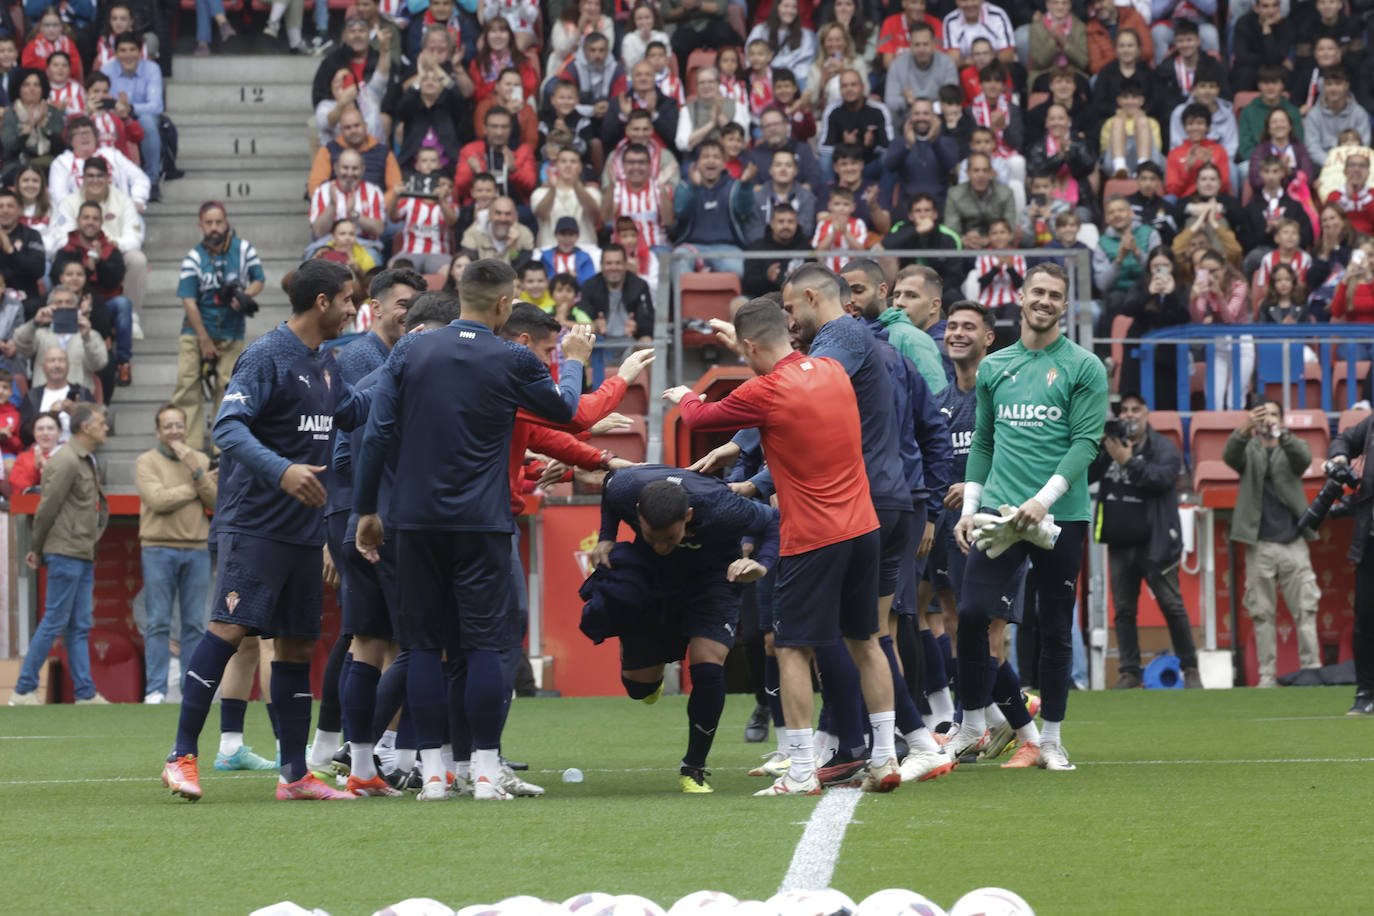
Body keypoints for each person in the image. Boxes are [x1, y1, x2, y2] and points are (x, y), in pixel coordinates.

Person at [352, 260, 593, 801]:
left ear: (459, 295)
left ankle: (434, 776)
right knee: (486, 646)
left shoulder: (411, 350)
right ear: (506, 305)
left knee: (421, 644)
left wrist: (367, 509)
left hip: (413, 521)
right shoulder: (510, 356)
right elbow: (567, 413)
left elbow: (376, 434)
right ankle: (484, 772)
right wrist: (574, 362)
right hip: (482, 523)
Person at [669, 291, 903, 796]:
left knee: (792, 648)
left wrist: (684, 395)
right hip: (864, 529)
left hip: (813, 537)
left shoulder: (766, 391)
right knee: (867, 640)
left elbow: (699, 420)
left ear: (750, 347)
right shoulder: (831, 372)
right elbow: (778, 387)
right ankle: (884, 759)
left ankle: (799, 771)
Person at [160, 259, 367, 802]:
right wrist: (282, 469)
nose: (353, 309)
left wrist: (413, 367)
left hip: (304, 531)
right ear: (322, 302)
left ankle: (294, 775)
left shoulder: (329, 363)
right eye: (347, 299)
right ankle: (181, 756)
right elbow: (227, 427)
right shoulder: (266, 355)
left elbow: (352, 413)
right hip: (254, 525)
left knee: (295, 648)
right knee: (228, 631)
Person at [945, 262, 1109, 771]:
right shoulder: (995, 367)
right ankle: (973, 724)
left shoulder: (1084, 367)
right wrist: (971, 510)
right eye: (1037, 291)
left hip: (1062, 515)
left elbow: (1086, 443)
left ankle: (1052, 740)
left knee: (1056, 627)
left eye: (1054, 295)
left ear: (1064, 305)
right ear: (1021, 297)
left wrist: (1045, 499)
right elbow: (985, 444)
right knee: (971, 614)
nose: (1044, 301)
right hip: (999, 511)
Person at [586, 469, 780, 792]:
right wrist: (607, 534)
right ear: (637, 513)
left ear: (688, 516)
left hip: (713, 579)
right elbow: (608, 484)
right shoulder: (625, 489)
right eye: (652, 538)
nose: (662, 546)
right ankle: (652, 674)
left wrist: (762, 564)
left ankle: (694, 767)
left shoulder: (722, 506)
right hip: (654, 578)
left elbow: (772, 521)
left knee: (708, 666)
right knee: (638, 688)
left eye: (670, 538)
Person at [1089, 393, 1200, 690]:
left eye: (1135, 409)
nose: (1129, 415)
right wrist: (1100, 448)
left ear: (1147, 413)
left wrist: (1128, 460)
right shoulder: (1110, 445)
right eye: (1124, 410)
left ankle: (1190, 668)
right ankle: (1128, 671)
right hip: (1120, 541)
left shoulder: (1163, 447)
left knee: (1172, 606)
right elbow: (1086, 476)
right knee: (1124, 610)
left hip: (1156, 542)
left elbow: (1161, 480)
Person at [7, 403, 109, 706]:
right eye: (101, 423)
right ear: (86, 427)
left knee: (79, 625)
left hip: (79, 550)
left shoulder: (80, 458)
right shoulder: (66, 459)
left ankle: (85, 693)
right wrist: (36, 549)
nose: (106, 427)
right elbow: (46, 507)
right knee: (55, 621)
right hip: (66, 551)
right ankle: (24, 689)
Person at [1224, 400, 1322, 687]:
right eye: (1263, 415)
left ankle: (1312, 670)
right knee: (1261, 613)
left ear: (1283, 419)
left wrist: (1282, 434)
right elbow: (1230, 457)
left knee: (1305, 609)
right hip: (1260, 544)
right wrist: (1244, 429)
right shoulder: (1249, 448)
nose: (1268, 420)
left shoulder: (1291, 444)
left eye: (1274, 415)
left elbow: (1303, 459)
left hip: (1293, 541)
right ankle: (1267, 676)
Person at [136, 404, 216, 705]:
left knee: (195, 623)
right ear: (158, 431)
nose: (174, 431)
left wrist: (196, 470)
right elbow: (158, 500)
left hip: (196, 548)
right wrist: (196, 485)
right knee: (158, 621)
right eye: (168, 426)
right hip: (157, 547)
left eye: (179, 425)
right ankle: (155, 690)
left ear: (186, 428)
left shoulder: (201, 459)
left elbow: (215, 499)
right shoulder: (146, 461)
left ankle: (189, 690)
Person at [174, 202, 265, 452]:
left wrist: (245, 296)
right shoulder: (194, 257)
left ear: (226, 222)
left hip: (231, 330)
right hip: (195, 331)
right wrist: (203, 339)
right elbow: (189, 302)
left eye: (218, 222)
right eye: (209, 223)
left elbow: (259, 278)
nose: (214, 228)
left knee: (228, 389)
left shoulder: (243, 249)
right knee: (187, 386)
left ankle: (221, 449)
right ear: (200, 225)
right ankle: (188, 449)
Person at [49, 156, 146, 332]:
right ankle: (67, 309)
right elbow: (61, 237)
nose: (95, 180)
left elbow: (135, 238)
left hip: (111, 254)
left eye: (100, 176)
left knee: (137, 258)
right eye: (90, 176)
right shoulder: (69, 202)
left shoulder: (123, 201)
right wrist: (86, 250)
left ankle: (132, 316)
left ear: (109, 178)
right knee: (61, 258)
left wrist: (109, 245)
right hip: (77, 255)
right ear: (82, 178)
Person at [55, 198, 133, 385]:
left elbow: (114, 281)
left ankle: (123, 362)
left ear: (101, 223)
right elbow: (55, 278)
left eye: (95, 218)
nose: (90, 222)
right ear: (78, 220)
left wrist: (100, 264)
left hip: (106, 302)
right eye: (86, 218)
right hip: (73, 303)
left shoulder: (110, 250)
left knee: (123, 304)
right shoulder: (67, 249)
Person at [1328, 413, 1374, 714]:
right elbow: (1343, 438)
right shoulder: (1371, 424)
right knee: (1366, 620)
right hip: (1370, 541)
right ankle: (1366, 691)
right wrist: (1341, 456)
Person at [846, 258, 946, 395]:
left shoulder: (914, 339)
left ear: (882, 291)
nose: (899, 302)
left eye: (912, 296)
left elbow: (937, 401)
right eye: (897, 295)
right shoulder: (849, 335)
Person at [670, 140, 755, 282]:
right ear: (697, 163)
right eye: (706, 157)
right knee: (678, 265)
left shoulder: (735, 186)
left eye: (716, 157)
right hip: (691, 246)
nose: (711, 161)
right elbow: (680, 212)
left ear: (723, 163)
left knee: (737, 270)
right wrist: (694, 188)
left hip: (727, 247)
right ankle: (689, 304)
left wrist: (746, 185)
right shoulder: (685, 186)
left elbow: (744, 210)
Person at [99, 33, 161, 191]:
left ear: (140, 52)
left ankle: (152, 178)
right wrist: (119, 109)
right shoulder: (106, 70)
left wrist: (131, 108)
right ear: (116, 53)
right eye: (123, 50)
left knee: (147, 121)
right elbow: (103, 100)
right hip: (115, 114)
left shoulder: (152, 68)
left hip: (142, 115)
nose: (128, 55)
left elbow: (156, 106)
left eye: (132, 50)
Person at [14, 286, 107, 390]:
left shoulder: (91, 335)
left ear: (76, 307)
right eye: (58, 302)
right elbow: (19, 343)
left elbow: (99, 364)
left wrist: (86, 338)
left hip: (79, 399)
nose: (64, 306)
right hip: (44, 398)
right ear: (49, 306)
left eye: (69, 302)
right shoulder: (40, 334)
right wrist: (34, 323)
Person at [307, 105, 404, 199]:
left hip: (376, 211)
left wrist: (376, 204)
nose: (353, 130)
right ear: (341, 131)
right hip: (337, 211)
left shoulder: (385, 153)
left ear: (365, 126)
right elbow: (315, 189)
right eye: (347, 127)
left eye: (357, 126)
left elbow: (395, 189)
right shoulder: (327, 151)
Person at [883, 96, 959, 211]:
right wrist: (907, 146)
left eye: (926, 113)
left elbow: (950, 166)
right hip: (907, 209)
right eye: (916, 113)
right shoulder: (900, 142)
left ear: (935, 117)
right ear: (910, 117)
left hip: (938, 208)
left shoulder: (947, 142)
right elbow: (889, 166)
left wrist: (934, 142)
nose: (921, 118)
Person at [883, 22, 958, 128]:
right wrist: (906, 102)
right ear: (910, 46)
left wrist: (916, 104)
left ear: (933, 45)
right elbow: (890, 101)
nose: (921, 49)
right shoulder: (897, 64)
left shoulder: (947, 63)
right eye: (917, 45)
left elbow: (951, 100)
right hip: (907, 121)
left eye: (925, 44)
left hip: (939, 120)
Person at [17, 346, 95, 443]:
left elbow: (97, 428)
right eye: (52, 361)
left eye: (61, 361)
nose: (57, 365)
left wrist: (76, 413)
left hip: (76, 453)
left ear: (68, 366)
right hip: (41, 453)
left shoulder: (83, 393)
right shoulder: (32, 396)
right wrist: (50, 416)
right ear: (43, 367)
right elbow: (23, 435)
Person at [580, 244, 652, 343]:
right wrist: (595, 326)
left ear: (626, 264)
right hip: (598, 342)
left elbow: (649, 322)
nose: (613, 267)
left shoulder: (639, 286)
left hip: (631, 342)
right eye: (609, 263)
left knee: (646, 342)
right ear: (601, 265)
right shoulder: (590, 286)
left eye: (618, 263)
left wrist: (636, 327)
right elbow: (581, 317)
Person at [943, 152, 1015, 250]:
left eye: (985, 170)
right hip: (965, 248)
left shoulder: (1006, 193)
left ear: (991, 173)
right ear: (967, 173)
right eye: (976, 170)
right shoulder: (954, 194)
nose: (981, 175)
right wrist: (965, 240)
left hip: (997, 246)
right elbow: (951, 232)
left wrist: (989, 240)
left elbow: (1011, 229)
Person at [1, 69, 65, 172]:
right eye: (26, 85)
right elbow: (9, 148)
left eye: (37, 85)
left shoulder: (53, 112)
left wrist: (44, 126)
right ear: (18, 88)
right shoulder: (10, 115)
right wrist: (29, 126)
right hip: (18, 165)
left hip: (51, 164)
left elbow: (60, 146)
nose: (32, 89)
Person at [1304, 67, 1370, 167]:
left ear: (1346, 86)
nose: (1333, 88)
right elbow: (1312, 147)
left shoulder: (1359, 113)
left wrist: (1349, 164)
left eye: (1338, 84)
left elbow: (1364, 144)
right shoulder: (1313, 115)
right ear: (1323, 87)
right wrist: (1333, 162)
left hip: (1355, 165)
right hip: (1324, 165)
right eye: (1329, 84)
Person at [752, 146, 816, 243]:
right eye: (778, 165)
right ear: (770, 170)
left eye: (788, 165)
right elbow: (752, 232)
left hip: (796, 250)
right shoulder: (756, 197)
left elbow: (806, 230)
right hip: (763, 250)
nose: (783, 169)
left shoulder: (807, 197)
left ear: (795, 171)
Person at [1166, 104, 1233, 198]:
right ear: (1184, 128)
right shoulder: (1175, 154)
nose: (1195, 128)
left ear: (1208, 127)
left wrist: (1208, 165)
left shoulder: (1219, 150)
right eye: (1190, 123)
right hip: (1185, 201)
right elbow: (1172, 191)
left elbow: (1225, 187)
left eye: (1200, 123)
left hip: (1214, 198)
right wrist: (1188, 168)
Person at [742, 204, 808, 298]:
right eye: (781, 222)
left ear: (796, 223)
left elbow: (814, 279)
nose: (786, 226)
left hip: (797, 300)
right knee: (737, 302)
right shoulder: (757, 248)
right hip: (762, 300)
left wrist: (799, 279)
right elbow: (747, 284)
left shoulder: (805, 247)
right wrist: (767, 278)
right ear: (772, 224)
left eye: (790, 222)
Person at [0, 186, 48, 307]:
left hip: (25, 300)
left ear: (19, 210)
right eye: (0, 206)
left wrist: (11, 251)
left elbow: (38, 270)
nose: (5, 210)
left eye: (10, 206)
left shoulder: (32, 235)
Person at [1085, 0, 1153, 74]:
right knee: (1095, 80)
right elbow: (1095, 67)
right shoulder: (1092, 27)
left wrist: (1122, 55)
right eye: (1093, 3)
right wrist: (1122, 54)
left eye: (1101, 1)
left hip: (1138, 67)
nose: (1097, 6)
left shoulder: (1132, 16)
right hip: (1110, 74)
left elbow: (1148, 52)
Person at [662, 0, 740, 64]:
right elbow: (665, 15)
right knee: (677, 45)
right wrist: (684, 9)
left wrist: (698, 5)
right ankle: (682, 81)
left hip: (714, 21)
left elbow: (721, 7)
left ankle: (730, 78)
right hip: (688, 26)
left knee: (724, 35)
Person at [10, 409, 62, 491]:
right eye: (40, 429)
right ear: (34, 433)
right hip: (31, 502)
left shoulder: (70, 456)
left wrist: (47, 468)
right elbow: (20, 490)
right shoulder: (23, 458)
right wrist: (35, 469)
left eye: (50, 428)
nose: (45, 433)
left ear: (59, 432)